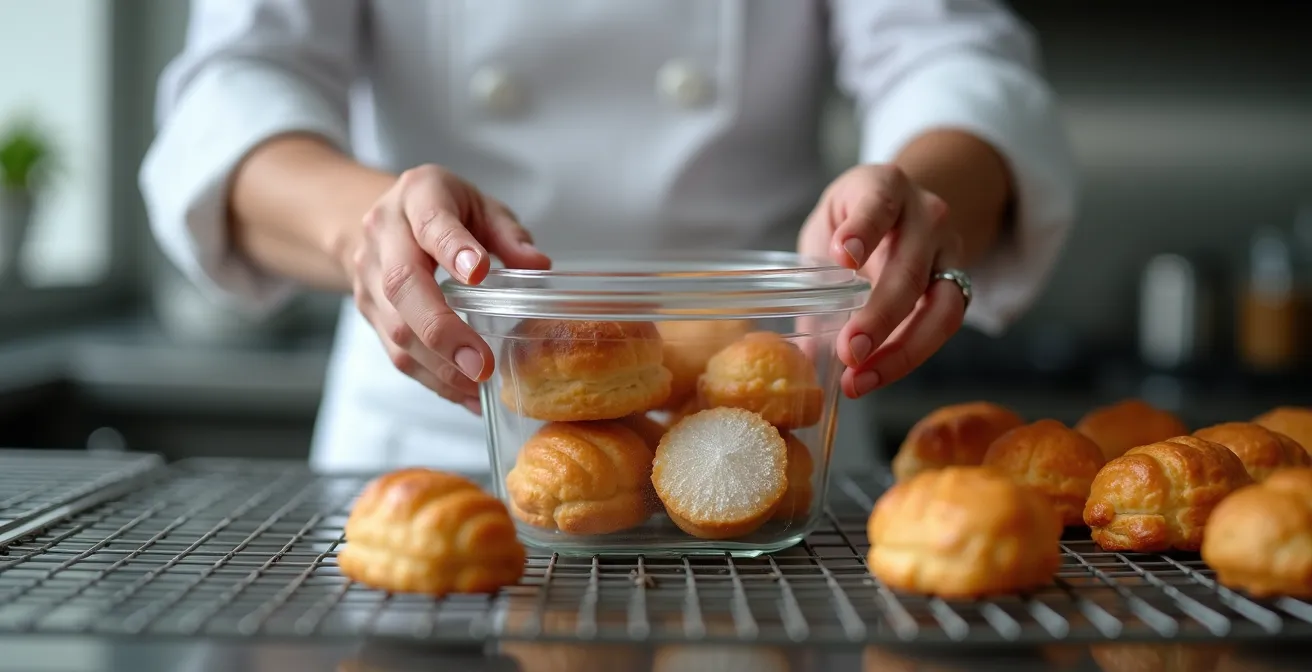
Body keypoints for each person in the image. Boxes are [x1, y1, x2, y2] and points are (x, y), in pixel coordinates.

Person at [141, 1, 1077, 473]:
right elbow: (230, 95)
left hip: (773, 426)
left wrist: (915, 202)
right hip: (440, 425)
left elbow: (950, 57)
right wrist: (370, 227)